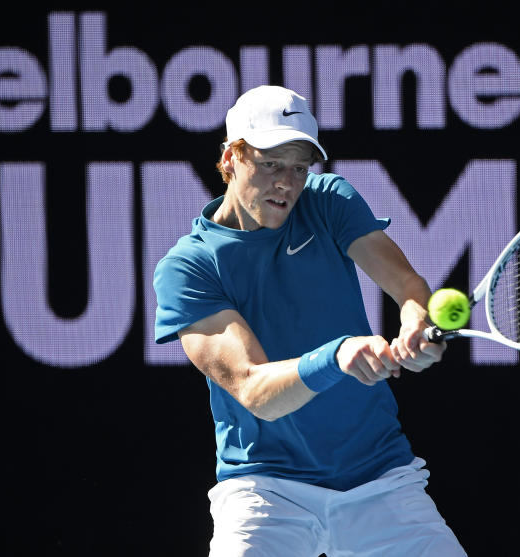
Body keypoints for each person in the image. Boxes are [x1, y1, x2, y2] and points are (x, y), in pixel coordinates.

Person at [153, 85, 466, 556]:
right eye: (271, 164)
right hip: (265, 492)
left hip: (379, 478)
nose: (288, 183)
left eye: (299, 168)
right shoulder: (189, 267)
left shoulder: (327, 201)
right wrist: (337, 356)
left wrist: (415, 326)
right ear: (231, 158)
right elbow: (254, 388)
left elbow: (406, 285)